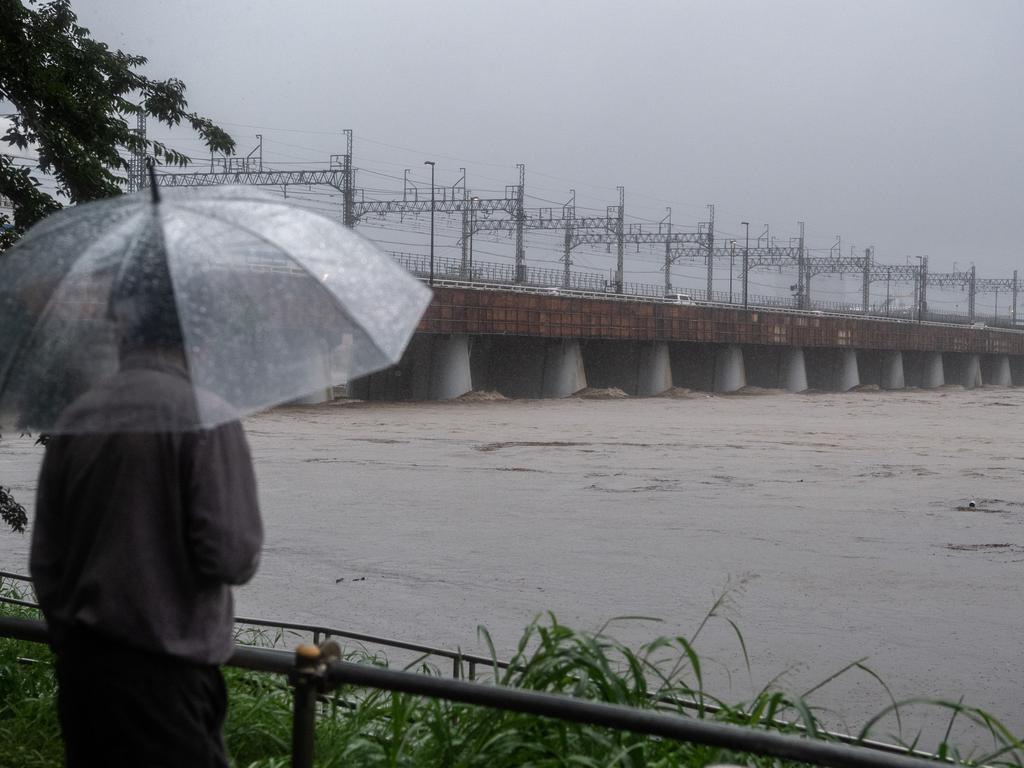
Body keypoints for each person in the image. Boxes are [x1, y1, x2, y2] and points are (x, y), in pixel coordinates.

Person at [29, 254, 263, 768]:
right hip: (168, 680)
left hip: (84, 675)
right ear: (195, 326)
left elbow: (46, 562)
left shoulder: (78, 416)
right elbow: (231, 555)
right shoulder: (204, 415)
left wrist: (74, 643)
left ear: (120, 325)